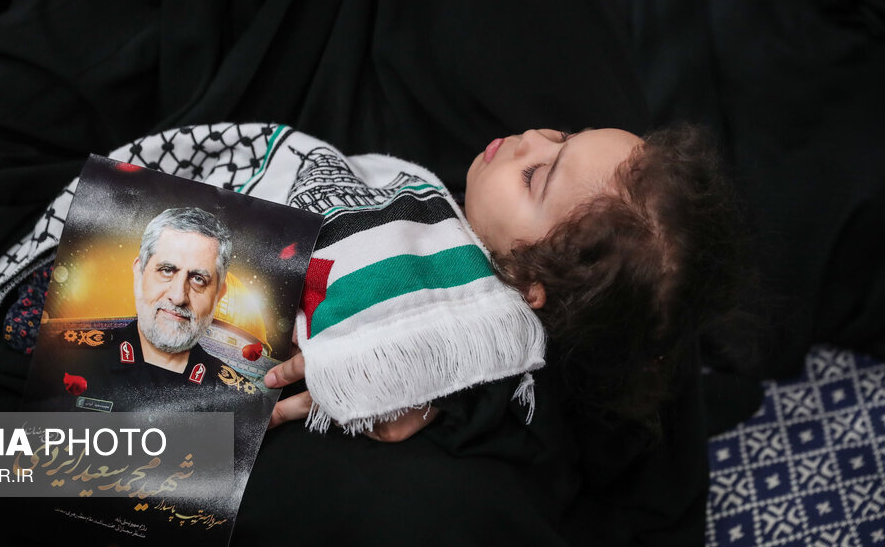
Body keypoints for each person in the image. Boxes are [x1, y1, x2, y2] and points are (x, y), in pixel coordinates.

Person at [267, 124, 747, 443]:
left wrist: (364, 371)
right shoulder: (471, 217)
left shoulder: (462, 348)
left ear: (531, 283)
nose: (531, 137)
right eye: (565, 136)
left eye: (536, 175)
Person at [26, 206, 247, 412]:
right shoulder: (63, 355)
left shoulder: (242, 401)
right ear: (139, 273)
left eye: (198, 279)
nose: (179, 296)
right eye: (167, 270)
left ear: (219, 295)